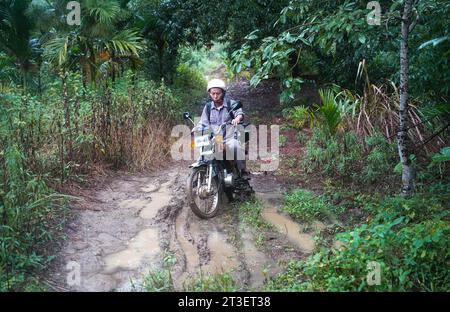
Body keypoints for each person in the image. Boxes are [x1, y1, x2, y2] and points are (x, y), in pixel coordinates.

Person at [195, 78, 248, 177]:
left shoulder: (230, 104)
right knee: (202, 155)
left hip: (229, 138)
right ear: (209, 94)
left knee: (235, 146)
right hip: (215, 139)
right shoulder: (207, 107)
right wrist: (197, 128)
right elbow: (203, 122)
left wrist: (237, 118)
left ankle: (243, 171)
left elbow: (239, 113)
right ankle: (199, 176)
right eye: (213, 93)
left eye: (217, 93)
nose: (215, 96)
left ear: (223, 93)